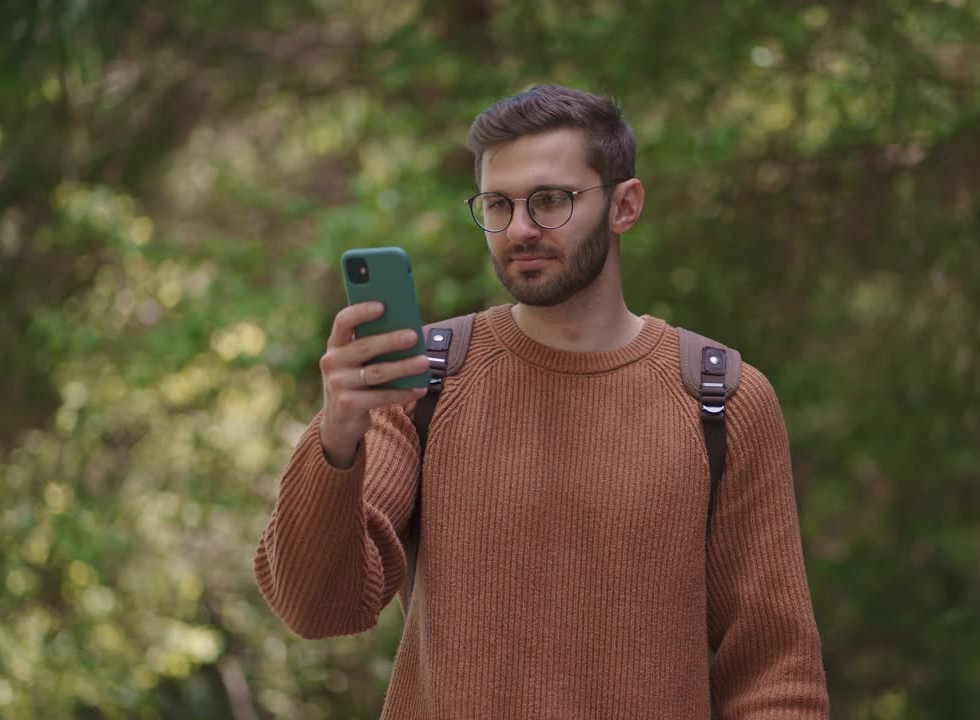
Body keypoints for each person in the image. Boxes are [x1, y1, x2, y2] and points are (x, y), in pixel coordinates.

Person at [253, 84, 830, 719]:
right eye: (498, 204)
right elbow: (320, 608)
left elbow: (776, 675)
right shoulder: (427, 381)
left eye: (550, 201)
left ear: (624, 205)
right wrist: (336, 439)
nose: (521, 229)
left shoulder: (719, 398)